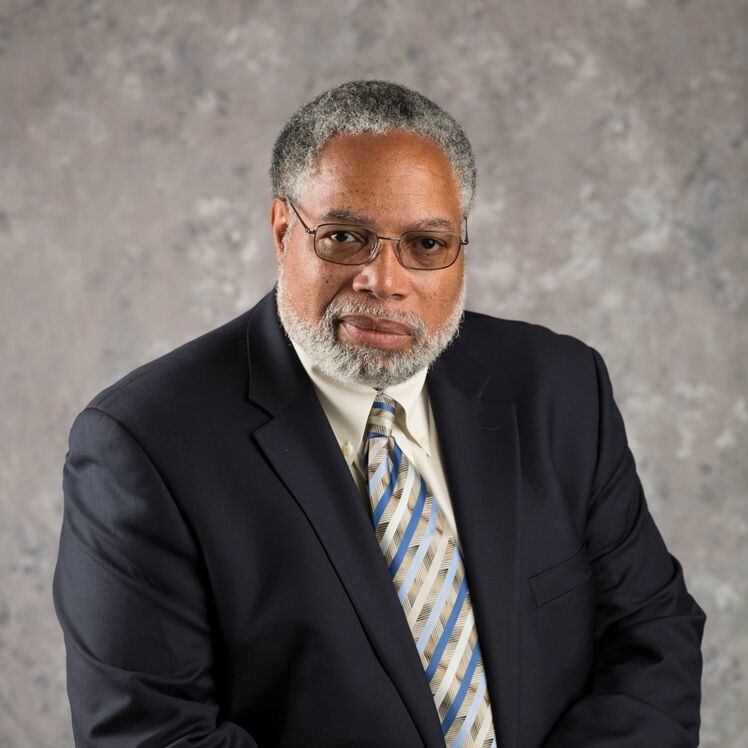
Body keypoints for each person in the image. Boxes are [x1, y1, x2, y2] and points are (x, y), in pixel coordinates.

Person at [53, 80, 705, 748]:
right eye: (344, 236)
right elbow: (153, 736)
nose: (384, 280)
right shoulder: (144, 447)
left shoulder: (559, 387)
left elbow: (653, 636)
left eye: (426, 244)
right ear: (283, 230)